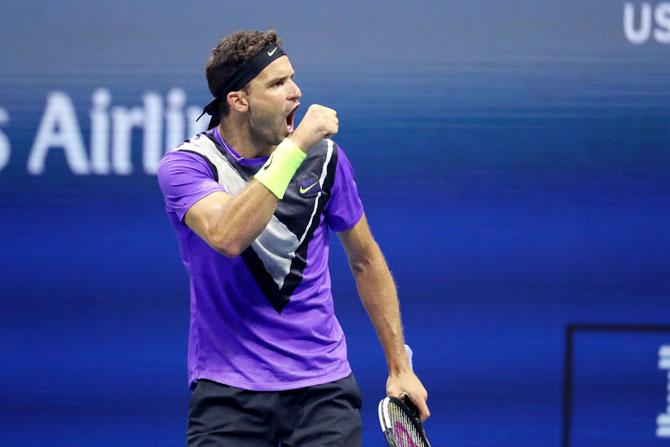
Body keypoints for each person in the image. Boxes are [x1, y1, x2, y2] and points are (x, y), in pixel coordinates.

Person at [157, 29, 429, 446]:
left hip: (323, 392)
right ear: (239, 101)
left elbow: (365, 260)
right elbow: (227, 236)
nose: (296, 93)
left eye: (292, 78)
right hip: (228, 396)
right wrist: (299, 142)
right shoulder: (189, 167)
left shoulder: (327, 162)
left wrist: (399, 366)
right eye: (277, 83)